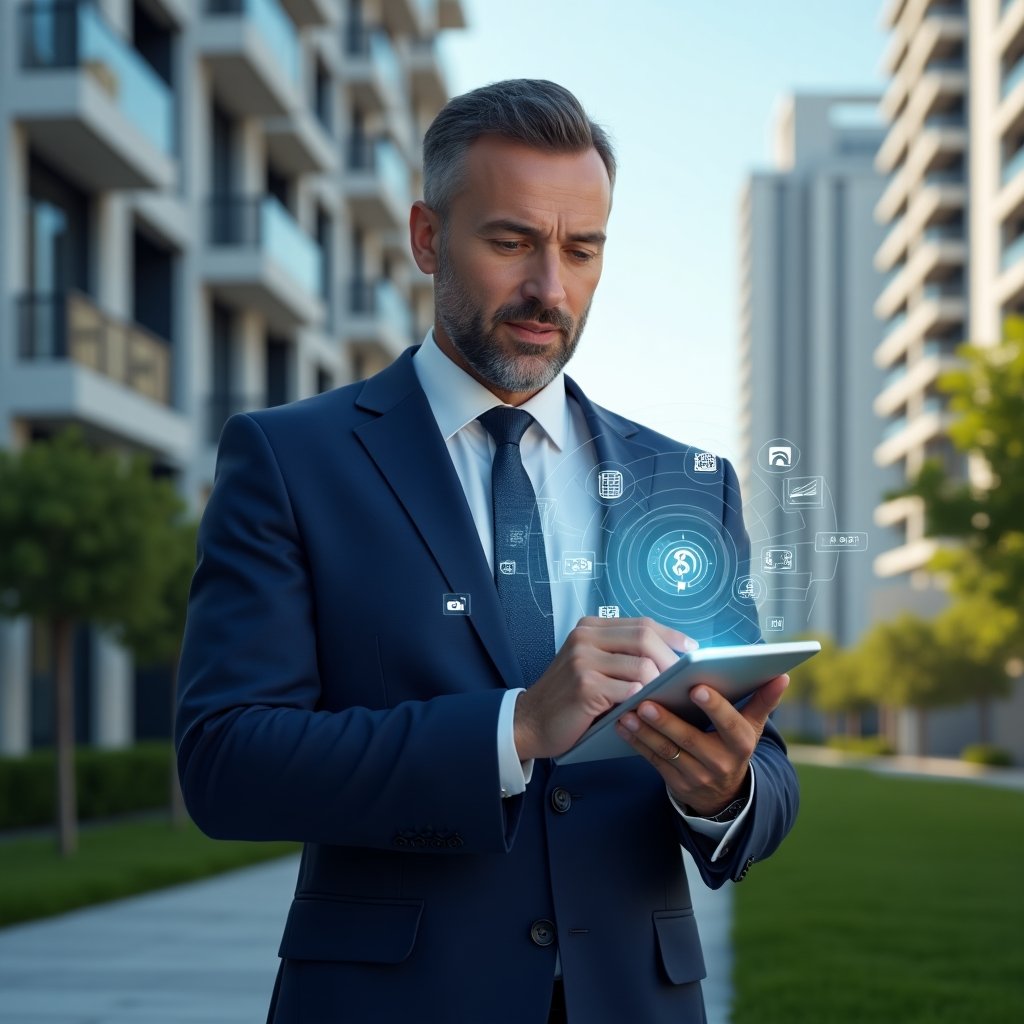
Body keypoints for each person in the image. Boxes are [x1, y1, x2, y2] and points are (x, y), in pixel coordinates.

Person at [176, 79, 799, 1024]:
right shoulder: (290, 458)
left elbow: (767, 771)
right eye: (512, 243)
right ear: (429, 238)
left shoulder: (691, 481)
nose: (551, 288)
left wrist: (725, 792)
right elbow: (226, 763)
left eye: (581, 250)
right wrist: (511, 727)